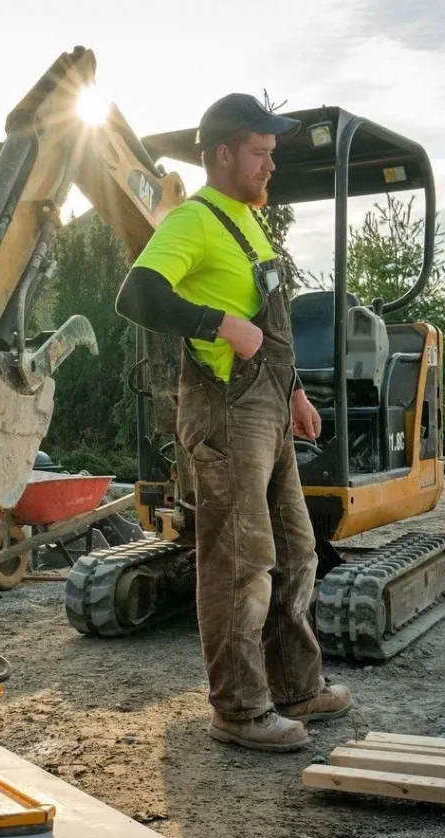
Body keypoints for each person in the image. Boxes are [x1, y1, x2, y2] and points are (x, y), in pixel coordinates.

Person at [114, 92, 352, 752]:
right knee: (241, 561)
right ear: (223, 154)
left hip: (270, 407)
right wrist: (215, 324)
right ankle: (240, 709)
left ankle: (296, 686)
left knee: (297, 552)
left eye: (272, 154)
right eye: (260, 152)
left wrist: (297, 393)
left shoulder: (246, 222)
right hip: (224, 410)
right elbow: (137, 294)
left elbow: (269, 326)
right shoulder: (192, 221)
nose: (270, 166)